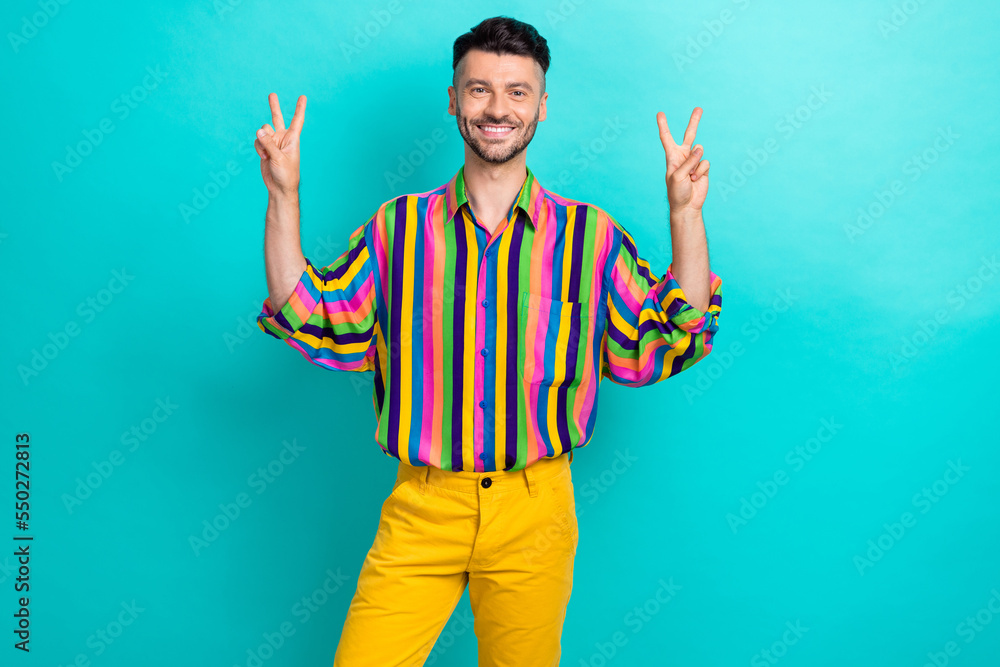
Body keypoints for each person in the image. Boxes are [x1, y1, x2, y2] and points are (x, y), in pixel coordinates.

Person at [253, 15, 722, 667]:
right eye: (478, 90)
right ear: (452, 100)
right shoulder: (400, 230)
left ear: (541, 107)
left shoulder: (589, 238)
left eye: (517, 91)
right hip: (423, 503)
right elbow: (310, 313)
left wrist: (685, 218)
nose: (497, 108)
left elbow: (669, 335)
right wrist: (283, 195)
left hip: (536, 511)